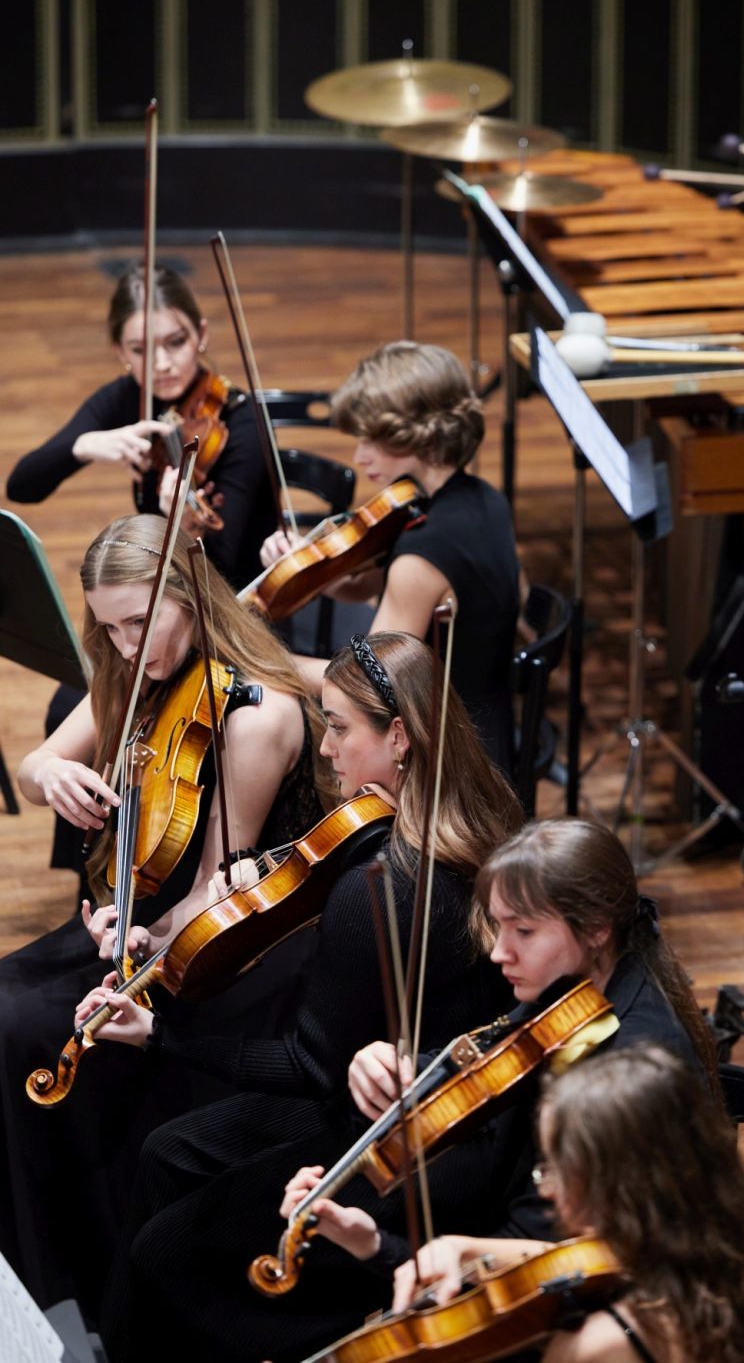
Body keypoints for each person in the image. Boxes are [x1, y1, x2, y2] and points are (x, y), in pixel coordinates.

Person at [133, 819, 720, 1363]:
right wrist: (402, 1067)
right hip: (485, 1226)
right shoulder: (577, 982)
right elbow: (500, 1056)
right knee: (176, 1209)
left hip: (538, 1300)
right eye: (498, 925)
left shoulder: (625, 1071)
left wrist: (381, 1250)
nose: (499, 951)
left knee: (178, 1256)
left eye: (523, 931)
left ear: (596, 928)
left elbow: (533, 1266)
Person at [94, 631, 522, 1362]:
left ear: (399, 737)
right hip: (440, 1098)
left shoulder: (386, 885)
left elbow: (309, 1064)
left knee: (163, 1251)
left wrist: (160, 1036)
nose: (325, 748)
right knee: (169, 1153)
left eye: (339, 728)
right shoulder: (483, 811)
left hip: (397, 1133)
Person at [0, 513, 325, 1316]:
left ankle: (85, 1275)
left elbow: (218, 893)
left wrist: (141, 935)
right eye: (108, 628)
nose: (124, 645)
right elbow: (37, 763)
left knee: (22, 1027)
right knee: (6, 1000)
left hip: (224, 946)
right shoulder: (131, 671)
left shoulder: (255, 713)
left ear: (190, 594)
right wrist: (51, 778)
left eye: (139, 622)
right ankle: (35, 1274)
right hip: (137, 914)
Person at [385, 1045, 744, 1363]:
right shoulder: (739, 1248)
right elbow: (592, 1261)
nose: (546, 1189)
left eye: (554, 1168)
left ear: (611, 1183)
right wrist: (464, 1248)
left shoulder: (595, 1346)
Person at [260, 341, 522, 775]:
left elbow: (364, 686)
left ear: (416, 435)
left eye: (371, 440)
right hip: (491, 727)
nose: (359, 457)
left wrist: (264, 659)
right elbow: (370, 585)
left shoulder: (422, 559)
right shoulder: (483, 501)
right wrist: (307, 565)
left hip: (449, 764)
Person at [6, 263, 279, 588]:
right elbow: (22, 487)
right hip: (166, 579)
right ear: (120, 351)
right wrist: (84, 445)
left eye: (176, 342)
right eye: (139, 349)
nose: (161, 364)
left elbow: (223, 570)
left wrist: (182, 526)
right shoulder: (127, 396)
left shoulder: (242, 421)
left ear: (201, 335)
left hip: (239, 596)